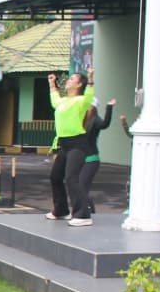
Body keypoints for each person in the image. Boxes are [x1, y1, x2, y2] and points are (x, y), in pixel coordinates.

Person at [46, 67, 95, 222]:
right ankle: (60, 210)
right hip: (64, 145)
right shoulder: (63, 101)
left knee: (71, 178)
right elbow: (54, 100)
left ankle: (83, 214)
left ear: (79, 85)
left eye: (72, 79)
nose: (68, 80)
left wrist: (91, 78)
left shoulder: (81, 101)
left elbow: (89, 96)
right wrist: (52, 84)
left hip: (77, 143)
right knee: (55, 177)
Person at [71, 98, 116, 227]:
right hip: (79, 159)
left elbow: (105, 124)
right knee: (76, 186)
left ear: (93, 107)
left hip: (91, 159)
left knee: (82, 186)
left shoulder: (95, 120)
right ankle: (83, 211)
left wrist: (109, 107)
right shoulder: (81, 120)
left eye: (87, 106)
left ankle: (85, 213)